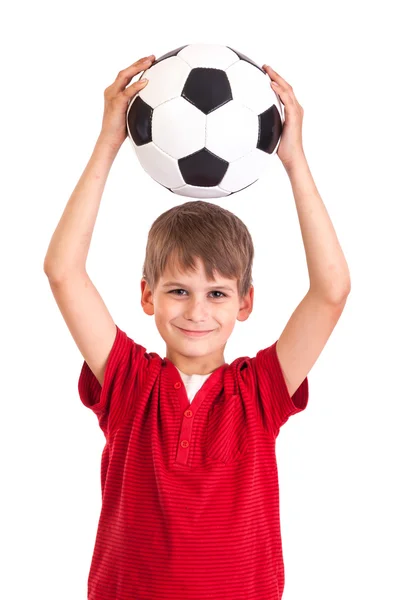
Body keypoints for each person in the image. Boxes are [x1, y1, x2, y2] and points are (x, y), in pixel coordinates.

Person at [43, 54, 351, 600]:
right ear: (147, 296)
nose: (197, 312)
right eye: (178, 291)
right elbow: (63, 272)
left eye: (217, 294)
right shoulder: (129, 383)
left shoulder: (261, 391)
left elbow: (331, 292)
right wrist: (108, 143)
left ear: (245, 303)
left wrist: (295, 161)